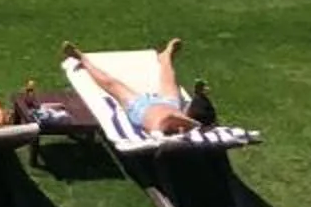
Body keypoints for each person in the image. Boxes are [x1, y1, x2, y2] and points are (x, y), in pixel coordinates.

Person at [62, 38, 206, 138]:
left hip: (139, 107)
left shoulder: (157, 127)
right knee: (169, 79)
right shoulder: (186, 125)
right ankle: (165, 56)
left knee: (111, 84)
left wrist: (187, 123)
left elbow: (169, 118)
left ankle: (82, 59)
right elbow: (182, 118)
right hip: (169, 103)